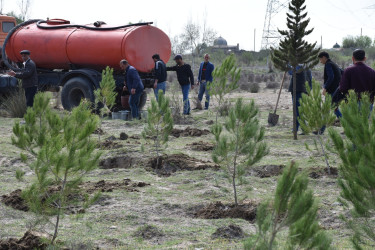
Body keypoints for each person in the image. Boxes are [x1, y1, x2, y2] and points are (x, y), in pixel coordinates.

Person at [318, 51, 342, 118]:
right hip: (336, 89)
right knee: (333, 107)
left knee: (328, 108)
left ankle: (322, 127)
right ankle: (344, 121)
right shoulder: (334, 64)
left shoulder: (328, 64)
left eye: (320, 59)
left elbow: (331, 77)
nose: (320, 61)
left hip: (331, 90)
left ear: (324, 57)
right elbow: (342, 72)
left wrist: (325, 88)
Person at [288, 65, 312, 134]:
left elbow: (291, 72)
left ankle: (301, 128)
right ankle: (297, 128)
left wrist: (287, 64)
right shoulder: (307, 67)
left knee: (297, 110)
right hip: (304, 90)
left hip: (298, 90)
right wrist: (309, 90)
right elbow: (310, 80)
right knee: (299, 110)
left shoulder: (298, 66)